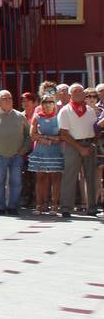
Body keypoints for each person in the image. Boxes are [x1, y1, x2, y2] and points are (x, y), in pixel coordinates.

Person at [0, 90, 32, 215]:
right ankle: (0, 207)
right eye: (4, 98)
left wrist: (23, 150)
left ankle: (13, 207)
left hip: (16, 156)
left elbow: (28, 135)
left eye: (10, 97)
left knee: (16, 182)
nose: (8, 100)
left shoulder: (20, 116)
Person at [57, 83, 99, 218]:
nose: (80, 93)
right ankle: (66, 207)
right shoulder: (65, 110)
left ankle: (92, 207)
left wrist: (91, 144)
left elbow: (95, 129)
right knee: (70, 176)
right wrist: (80, 148)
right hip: (72, 145)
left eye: (81, 91)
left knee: (91, 177)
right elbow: (63, 133)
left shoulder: (90, 110)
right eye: (76, 91)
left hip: (89, 143)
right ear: (70, 95)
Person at [28, 93, 64, 215]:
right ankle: (40, 205)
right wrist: (43, 139)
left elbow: (63, 136)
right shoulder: (37, 117)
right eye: (44, 102)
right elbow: (32, 134)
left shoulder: (59, 117)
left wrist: (48, 138)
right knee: (40, 178)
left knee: (55, 179)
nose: (47, 105)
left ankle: (55, 205)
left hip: (55, 152)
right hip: (40, 152)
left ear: (54, 104)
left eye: (50, 102)